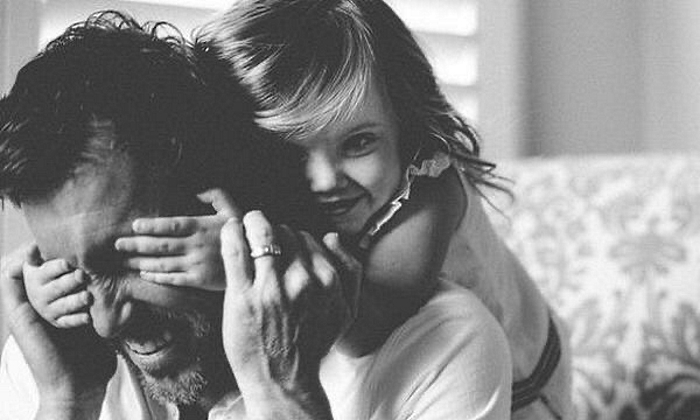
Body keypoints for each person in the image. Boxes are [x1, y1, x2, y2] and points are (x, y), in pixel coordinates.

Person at [0, 9, 511, 420]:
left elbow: (359, 303)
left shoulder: (438, 344)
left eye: (130, 258)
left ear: (226, 192)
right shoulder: (58, 351)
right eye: (72, 270)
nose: (105, 322)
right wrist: (67, 403)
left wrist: (281, 389)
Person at [116, 0, 573, 418]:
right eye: (290, 154)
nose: (326, 179)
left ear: (405, 126)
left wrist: (240, 258)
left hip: (520, 384)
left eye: (358, 143)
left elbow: (366, 326)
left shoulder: (430, 192)